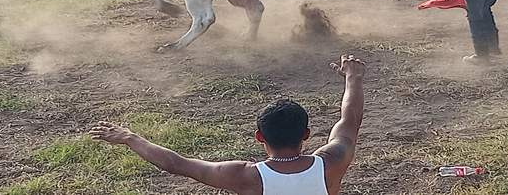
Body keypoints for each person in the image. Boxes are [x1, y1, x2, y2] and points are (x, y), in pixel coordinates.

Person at [89, 54, 366, 195]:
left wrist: (130, 138)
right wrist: (353, 77)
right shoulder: (331, 163)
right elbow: (350, 120)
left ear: (260, 137)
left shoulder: (246, 176)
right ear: (306, 134)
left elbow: (177, 164)